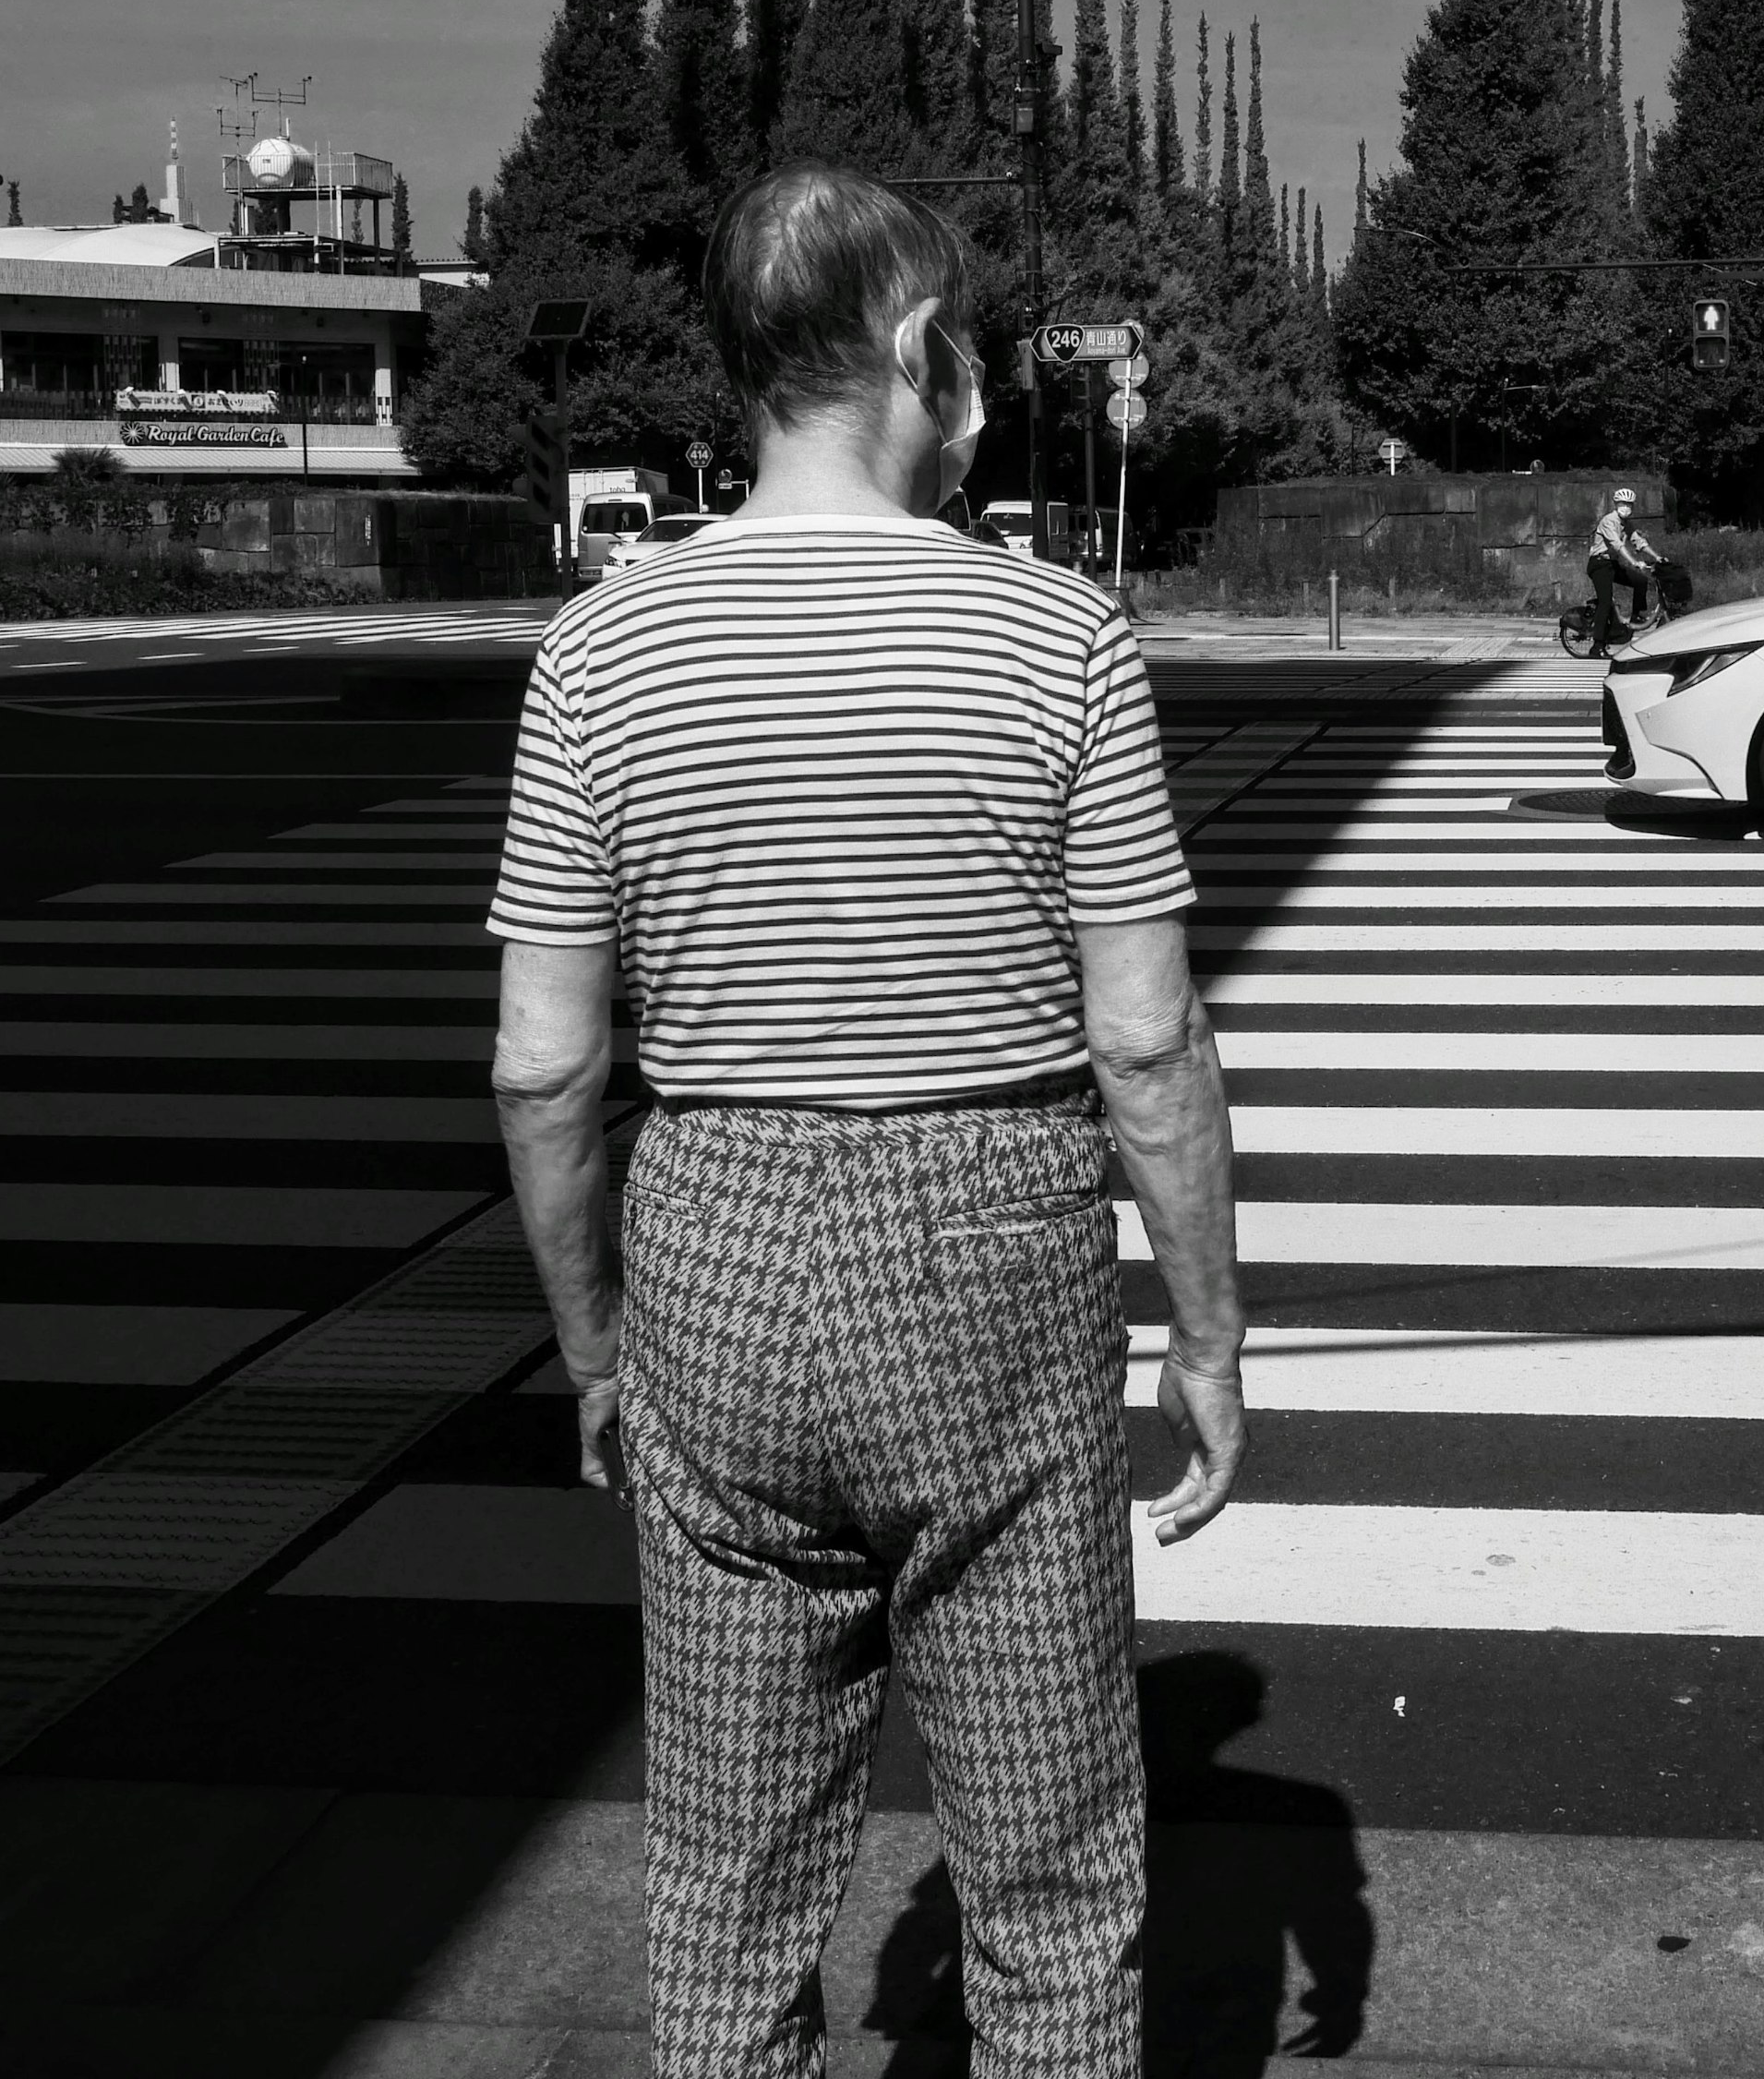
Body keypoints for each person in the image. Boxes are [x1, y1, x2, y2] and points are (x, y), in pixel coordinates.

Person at [487, 161, 1249, 2078]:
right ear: (927, 354)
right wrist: (1214, 1341)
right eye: (969, 351)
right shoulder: (1058, 637)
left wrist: (598, 1350)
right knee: (1055, 1876)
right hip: (992, 1242)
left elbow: (550, 1064)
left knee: (727, 1879)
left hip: (711, 1240)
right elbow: (1147, 1047)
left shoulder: (602, 649)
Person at [1584, 486, 1666, 648]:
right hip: (1599, 564)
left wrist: (1657, 557)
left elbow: (1639, 542)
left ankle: (1636, 616)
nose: (1626, 507)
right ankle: (1597, 646)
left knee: (1640, 581)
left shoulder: (1627, 523)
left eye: (1629, 504)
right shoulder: (1609, 521)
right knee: (1605, 602)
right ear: (1616, 504)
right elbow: (1618, 546)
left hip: (1612, 564)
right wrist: (1634, 562)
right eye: (1623, 503)